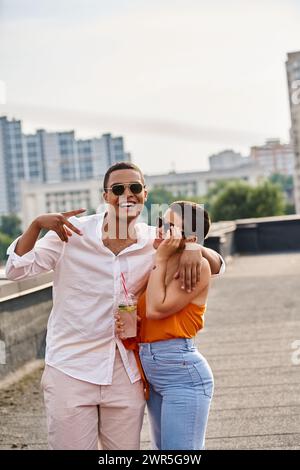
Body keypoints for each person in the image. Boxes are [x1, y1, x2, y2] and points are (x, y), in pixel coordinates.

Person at [5, 162, 224, 450]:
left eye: (134, 188)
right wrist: (35, 226)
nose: (127, 194)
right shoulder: (70, 234)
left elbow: (218, 264)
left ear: (145, 194)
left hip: (126, 372)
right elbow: (15, 271)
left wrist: (198, 248)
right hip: (71, 368)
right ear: (106, 196)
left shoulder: (153, 240)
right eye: (118, 189)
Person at [116, 201, 215, 450]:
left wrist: (169, 254)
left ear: (190, 236)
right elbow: (145, 313)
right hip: (153, 373)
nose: (160, 229)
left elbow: (156, 309)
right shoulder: (159, 263)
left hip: (182, 373)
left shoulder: (193, 266)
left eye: (170, 226)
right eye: (160, 221)